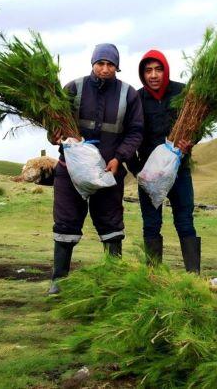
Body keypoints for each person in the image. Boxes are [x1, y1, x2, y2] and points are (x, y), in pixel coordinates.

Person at [47, 43, 144, 295]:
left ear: (117, 67)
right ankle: (58, 281)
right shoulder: (73, 88)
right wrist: (53, 135)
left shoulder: (129, 94)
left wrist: (119, 157)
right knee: (65, 222)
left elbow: (136, 132)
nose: (105, 68)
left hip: (108, 172)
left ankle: (113, 282)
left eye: (110, 64)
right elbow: (54, 126)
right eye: (100, 63)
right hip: (70, 172)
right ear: (93, 64)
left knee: (111, 225)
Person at [129, 50, 200, 273]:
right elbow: (128, 135)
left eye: (158, 69)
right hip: (149, 175)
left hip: (179, 171)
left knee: (185, 222)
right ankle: (153, 276)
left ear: (166, 70)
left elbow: (197, 125)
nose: (153, 75)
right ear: (142, 74)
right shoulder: (136, 99)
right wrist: (137, 171)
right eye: (148, 70)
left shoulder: (183, 93)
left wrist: (190, 142)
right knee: (151, 224)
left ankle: (193, 277)